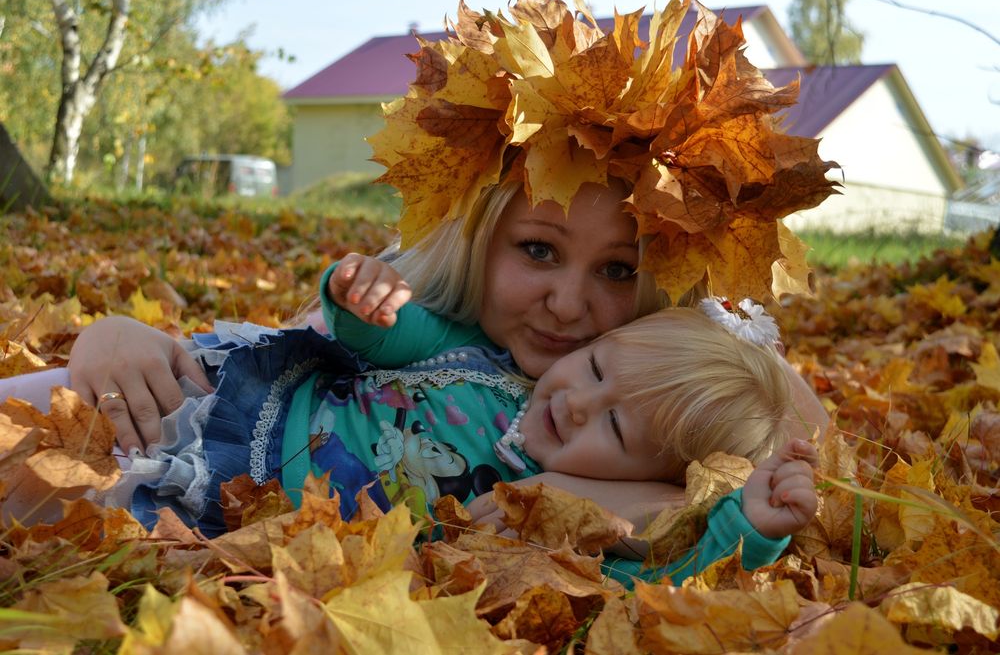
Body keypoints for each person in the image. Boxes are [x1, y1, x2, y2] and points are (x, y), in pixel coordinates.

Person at [7, 0, 837, 527]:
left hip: (206, 504)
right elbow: (286, 348)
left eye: (619, 271)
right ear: (482, 237)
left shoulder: (629, 412)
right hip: (178, 406)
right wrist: (115, 332)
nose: (568, 303)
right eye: (538, 250)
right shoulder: (432, 316)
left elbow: (782, 428)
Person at [2, 260, 818, 587]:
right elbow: (384, 332)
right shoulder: (485, 358)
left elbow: (649, 572)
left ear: (647, 475)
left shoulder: (545, 512)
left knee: (45, 500)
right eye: (598, 369)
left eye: (617, 429)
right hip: (231, 403)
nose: (576, 402)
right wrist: (360, 293)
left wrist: (750, 527)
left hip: (220, 505)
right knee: (35, 410)